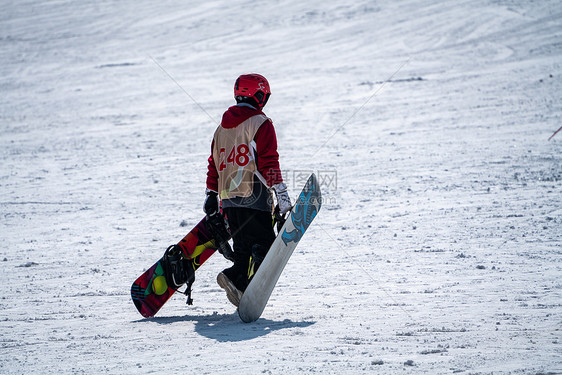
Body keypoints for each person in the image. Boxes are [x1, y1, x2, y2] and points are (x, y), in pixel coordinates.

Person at [204, 73, 292, 307]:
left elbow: (214, 164)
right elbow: (268, 162)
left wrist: (210, 196)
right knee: (264, 241)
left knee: (242, 247)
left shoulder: (221, 129)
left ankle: (236, 277)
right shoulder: (261, 123)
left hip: (228, 199)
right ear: (258, 94)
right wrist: (281, 194)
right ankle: (246, 271)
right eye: (264, 95)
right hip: (253, 192)